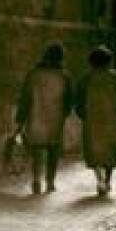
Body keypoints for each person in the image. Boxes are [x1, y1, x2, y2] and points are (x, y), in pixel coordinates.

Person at [74, 45, 116, 197]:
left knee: (94, 153)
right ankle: (106, 180)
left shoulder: (85, 80)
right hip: (113, 122)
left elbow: (79, 102)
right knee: (110, 153)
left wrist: (83, 115)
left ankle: (99, 178)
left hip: (92, 122)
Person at [15, 44, 71, 195]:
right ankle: (50, 181)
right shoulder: (64, 76)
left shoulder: (33, 75)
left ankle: (36, 179)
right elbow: (68, 101)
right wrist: (63, 115)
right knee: (53, 151)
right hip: (55, 118)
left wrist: (20, 119)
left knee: (37, 151)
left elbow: (25, 98)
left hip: (36, 116)